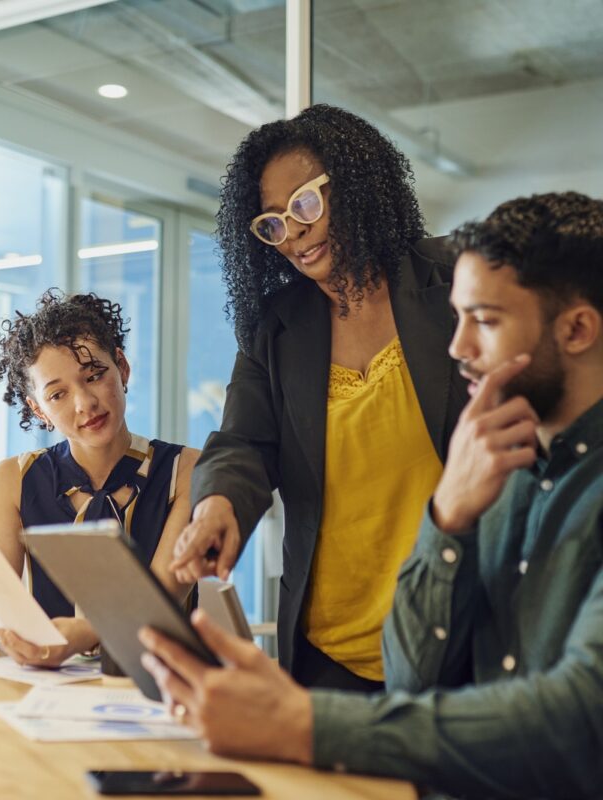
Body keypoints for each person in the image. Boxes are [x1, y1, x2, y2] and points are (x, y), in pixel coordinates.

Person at [140, 191, 603, 799]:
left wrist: (299, 722)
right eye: (272, 220)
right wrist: (447, 516)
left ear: (577, 329)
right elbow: (412, 675)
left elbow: (578, 723)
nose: (458, 347)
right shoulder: (504, 471)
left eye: (483, 322)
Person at [171, 104, 467, 690]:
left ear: (356, 187)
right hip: (329, 654)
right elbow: (242, 443)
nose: (294, 233)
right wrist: (217, 505)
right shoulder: (277, 329)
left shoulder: (457, 282)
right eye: (272, 223)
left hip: (458, 641)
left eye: (305, 203)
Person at [0, 290, 197, 666]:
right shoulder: (13, 480)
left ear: (122, 367)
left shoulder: (187, 470)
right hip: (51, 688)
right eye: (58, 394)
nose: (84, 403)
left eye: (94, 375)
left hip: (165, 686)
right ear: (38, 409)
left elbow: (160, 601)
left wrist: (82, 633)